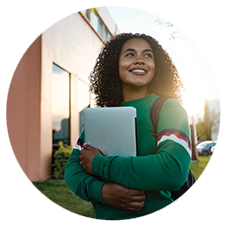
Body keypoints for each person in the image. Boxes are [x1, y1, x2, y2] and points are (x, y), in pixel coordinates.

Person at [64, 33, 191, 221]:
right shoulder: (100, 116)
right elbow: (72, 169)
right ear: (114, 65)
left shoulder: (168, 108)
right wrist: (102, 191)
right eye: (130, 54)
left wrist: (100, 164)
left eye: (148, 55)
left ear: (157, 67)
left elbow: (172, 170)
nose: (140, 60)